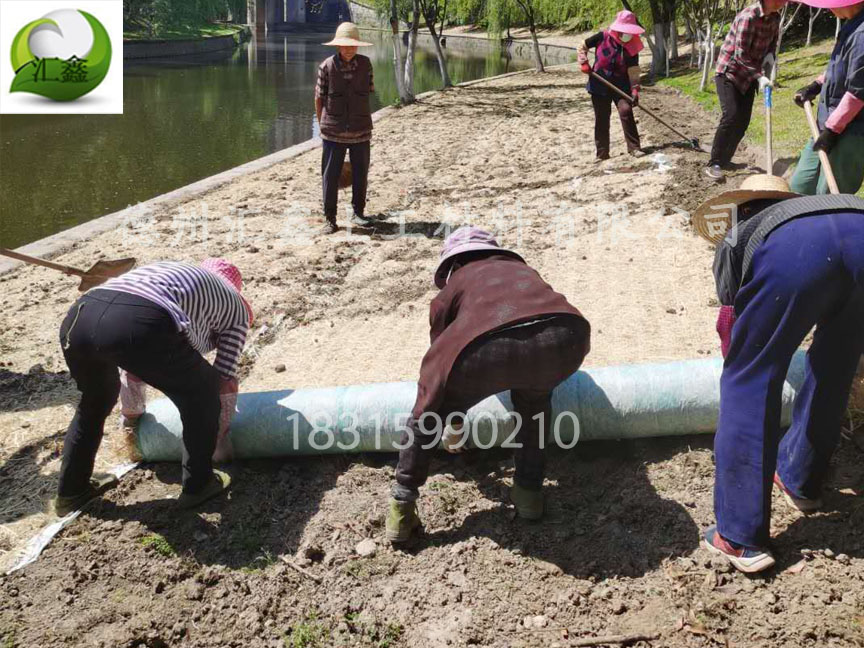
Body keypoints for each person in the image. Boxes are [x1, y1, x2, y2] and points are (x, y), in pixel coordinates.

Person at [691, 175, 864, 572]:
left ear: (739, 209)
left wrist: (741, 368)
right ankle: (801, 480)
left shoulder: (736, 235)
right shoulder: (818, 206)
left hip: (799, 254)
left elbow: (730, 326)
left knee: (749, 381)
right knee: (836, 364)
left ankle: (738, 537)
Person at [385, 227, 591, 543]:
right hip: (566, 336)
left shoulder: (454, 286)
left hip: (487, 351)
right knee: (534, 404)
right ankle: (529, 496)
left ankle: (402, 508)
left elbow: (442, 366)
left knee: (427, 410)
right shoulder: (523, 270)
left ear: (453, 263)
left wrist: (451, 419)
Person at [53, 259, 252, 516]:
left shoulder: (178, 280)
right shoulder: (236, 310)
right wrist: (220, 437)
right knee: (202, 393)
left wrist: (131, 420)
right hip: (138, 320)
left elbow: (135, 364)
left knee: (94, 402)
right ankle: (199, 484)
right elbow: (224, 380)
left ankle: (71, 492)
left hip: (79, 318)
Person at [704, 0, 786, 181]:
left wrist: (770, 55)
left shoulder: (776, 17)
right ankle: (714, 163)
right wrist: (760, 76)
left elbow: (773, 42)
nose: (785, 2)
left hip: (749, 76)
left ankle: (725, 160)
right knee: (731, 116)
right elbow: (740, 55)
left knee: (742, 122)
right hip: (730, 72)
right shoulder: (748, 17)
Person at [789, 0, 864, 195]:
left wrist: (832, 131)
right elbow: (838, 67)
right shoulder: (851, 24)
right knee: (800, 186)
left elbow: (858, 91)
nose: (829, 9)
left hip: (851, 131)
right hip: (828, 123)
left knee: (830, 195)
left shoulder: (862, 34)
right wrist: (815, 86)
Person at [315, 22, 375, 235]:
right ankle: (330, 219)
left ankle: (358, 212)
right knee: (330, 176)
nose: (349, 49)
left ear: (358, 46)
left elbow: (369, 90)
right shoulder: (326, 66)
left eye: (353, 45)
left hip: (361, 130)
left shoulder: (366, 65)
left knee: (361, 173)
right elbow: (319, 98)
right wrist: (323, 122)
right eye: (345, 45)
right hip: (333, 131)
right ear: (338, 46)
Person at [578, 10, 646, 160]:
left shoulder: (633, 46)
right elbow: (582, 46)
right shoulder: (602, 37)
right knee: (602, 118)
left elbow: (634, 71)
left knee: (626, 110)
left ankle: (634, 148)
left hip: (621, 85)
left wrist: (635, 90)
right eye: (624, 31)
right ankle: (602, 154)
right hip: (599, 83)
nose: (627, 35)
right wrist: (583, 62)